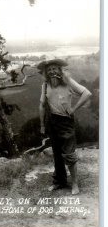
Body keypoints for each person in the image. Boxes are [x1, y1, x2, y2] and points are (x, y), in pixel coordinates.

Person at [38, 58, 92, 195]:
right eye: (49, 70)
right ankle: (59, 182)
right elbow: (42, 106)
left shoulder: (68, 82)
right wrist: (42, 125)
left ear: (60, 70)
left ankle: (74, 184)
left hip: (66, 121)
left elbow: (87, 93)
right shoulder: (45, 85)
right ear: (46, 73)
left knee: (69, 154)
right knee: (57, 154)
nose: (52, 72)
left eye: (54, 69)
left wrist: (73, 109)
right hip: (52, 122)